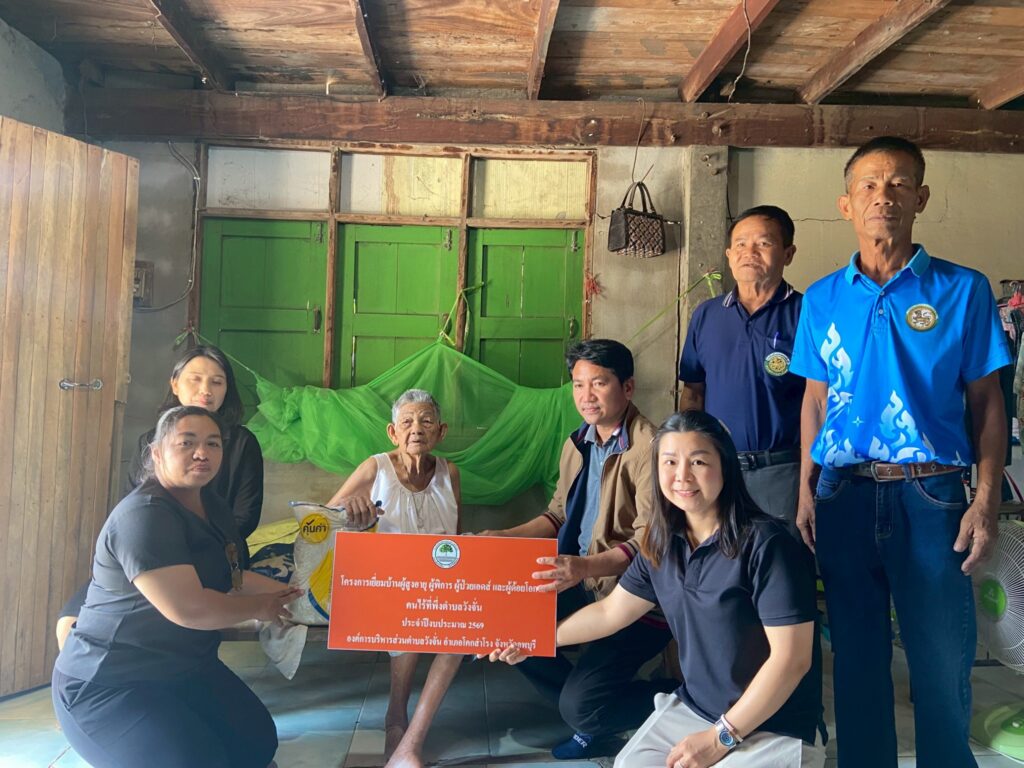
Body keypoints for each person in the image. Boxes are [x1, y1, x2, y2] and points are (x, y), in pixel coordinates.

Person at [790, 136, 1012, 768]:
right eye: (868, 185)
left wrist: (986, 500)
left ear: (921, 198)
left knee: (940, 658)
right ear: (846, 204)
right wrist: (806, 487)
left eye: (898, 184)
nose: (882, 196)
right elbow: (814, 400)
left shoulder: (962, 290)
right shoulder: (821, 298)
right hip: (843, 494)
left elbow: (988, 402)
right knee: (856, 658)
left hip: (931, 493)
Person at [489, 410, 825, 768]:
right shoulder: (662, 543)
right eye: (670, 462)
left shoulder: (767, 545)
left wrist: (720, 738)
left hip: (775, 721)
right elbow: (610, 612)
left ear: (726, 466)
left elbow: (792, 660)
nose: (682, 476)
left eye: (698, 461)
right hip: (699, 709)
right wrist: (534, 640)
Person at [51, 406, 301, 768]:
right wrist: (263, 608)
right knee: (195, 761)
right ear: (156, 453)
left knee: (257, 743)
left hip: (185, 668)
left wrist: (297, 596)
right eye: (187, 442)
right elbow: (189, 608)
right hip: (110, 684)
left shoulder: (213, 506)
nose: (202, 453)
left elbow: (235, 578)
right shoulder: (143, 515)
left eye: (213, 444)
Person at [481, 339, 673, 760]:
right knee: (507, 626)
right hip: (582, 581)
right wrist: (504, 536)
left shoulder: (652, 449)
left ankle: (682, 698)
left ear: (627, 387)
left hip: (636, 599)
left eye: (599, 383)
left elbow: (650, 540)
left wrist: (584, 567)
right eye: (578, 384)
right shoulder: (577, 443)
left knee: (581, 704)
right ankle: (591, 714)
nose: (586, 396)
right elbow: (557, 515)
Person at [56, 344, 264, 648]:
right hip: (156, 550)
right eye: (195, 379)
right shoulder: (150, 441)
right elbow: (134, 509)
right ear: (175, 384)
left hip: (219, 551)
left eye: (217, 382)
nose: (206, 390)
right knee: (70, 620)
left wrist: (196, 544)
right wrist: (164, 550)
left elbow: (245, 517)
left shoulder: (242, 443)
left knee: (169, 603)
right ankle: (94, 667)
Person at [325, 389, 464, 768]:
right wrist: (352, 512)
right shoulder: (376, 469)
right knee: (411, 618)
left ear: (440, 431)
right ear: (392, 432)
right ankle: (396, 718)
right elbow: (321, 521)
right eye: (407, 422)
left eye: (426, 421)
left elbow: (456, 539)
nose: (416, 429)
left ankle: (409, 739)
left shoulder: (450, 472)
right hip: (385, 585)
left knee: (461, 630)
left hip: (437, 585)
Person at [678, 205, 804, 535]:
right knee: (718, 556)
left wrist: (811, 478)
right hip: (716, 468)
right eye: (741, 244)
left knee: (780, 558)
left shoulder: (807, 314)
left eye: (763, 243)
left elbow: (823, 400)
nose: (750, 252)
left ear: (788, 254)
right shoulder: (706, 315)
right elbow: (693, 392)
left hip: (782, 471)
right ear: (729, 255)